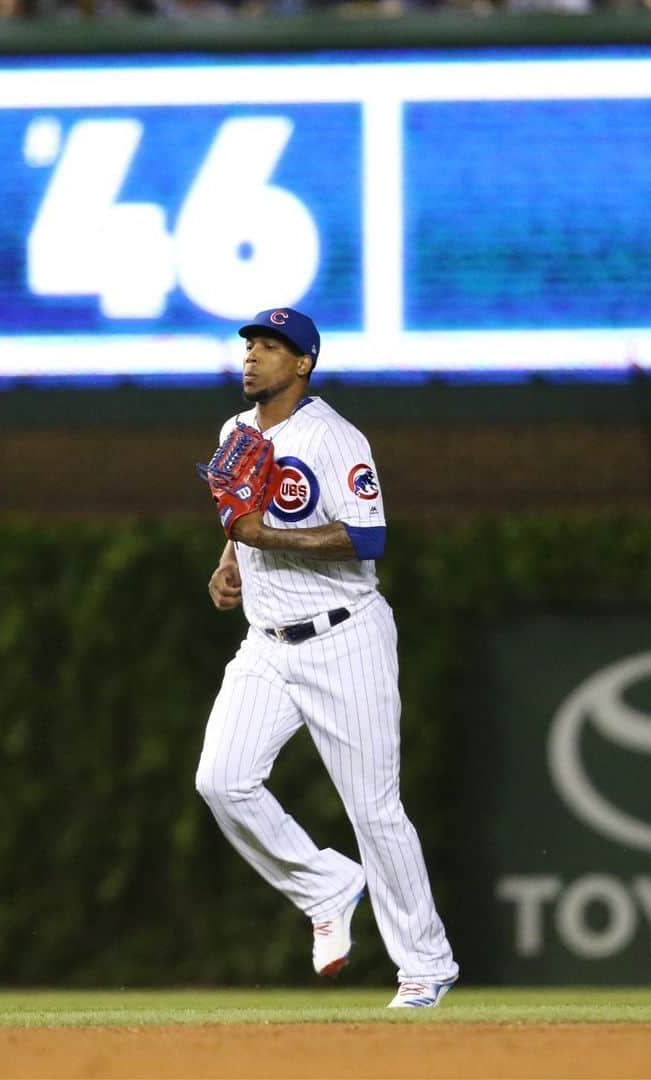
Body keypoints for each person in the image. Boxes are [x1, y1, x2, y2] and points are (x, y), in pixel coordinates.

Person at [194, 307, 458, 1008]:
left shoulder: (336, 437)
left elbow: (369, 538)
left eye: (270, 345)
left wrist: (266, 541)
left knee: (374, 811)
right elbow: (240, 523)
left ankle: (426, 966)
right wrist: (231, 559)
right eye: (250, 343)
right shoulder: (235, 432)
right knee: (221, 780)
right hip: (267, 644)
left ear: (302, 363)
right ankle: (327, 886)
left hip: (345, 636)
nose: (252, 354)